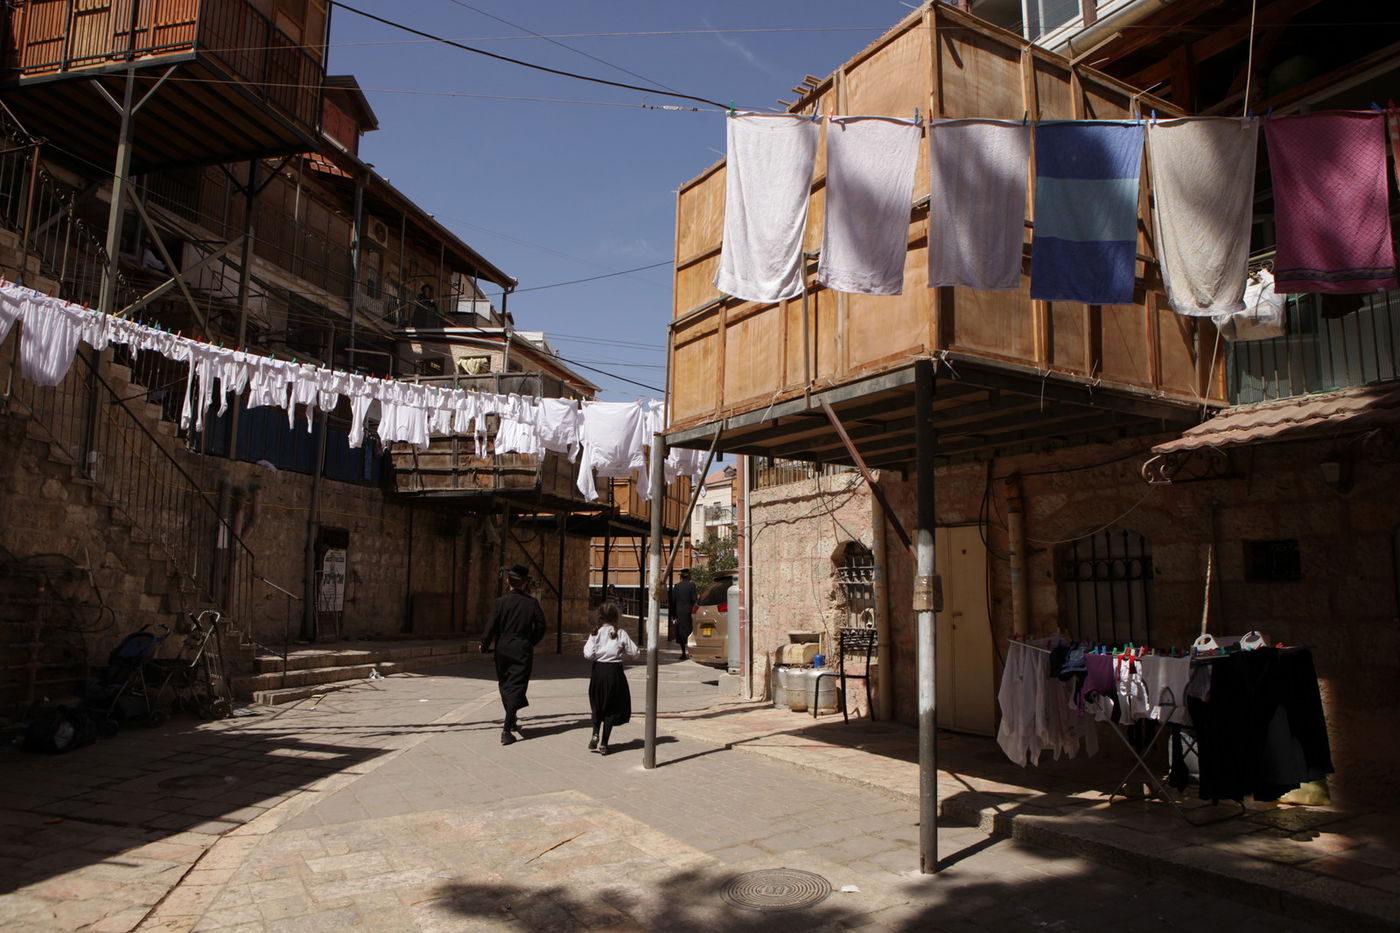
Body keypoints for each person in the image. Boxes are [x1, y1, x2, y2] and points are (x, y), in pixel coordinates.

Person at [480, 564, 546, 745]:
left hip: (502, 649)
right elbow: (541, 627)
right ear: (525, 584)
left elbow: (491, 626)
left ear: (508, 581)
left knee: (505, 684)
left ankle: (511, 719)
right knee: (517, 686)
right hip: (522, 649)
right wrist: (530, 641)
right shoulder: (531, 603)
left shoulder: (500, 602)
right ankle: (506, 729)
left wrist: (484, 645)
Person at [582, 602, 639, 755]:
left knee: (597, 704)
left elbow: (588, 654)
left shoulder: (595, 633)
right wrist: (622, 654)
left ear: (599, 617)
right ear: (615, 617)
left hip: (598, 672)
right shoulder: (620, 633)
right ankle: (604, 743)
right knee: (611, 707)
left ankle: (595, 732)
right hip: (614, 672)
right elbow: (635, 652)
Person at [668, 568, 698, 660]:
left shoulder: (676, 587)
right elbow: (694, 600)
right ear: (689, 576)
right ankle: (690, 652)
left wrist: (673, 615)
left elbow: (672, 601)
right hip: (689, 613)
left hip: (679, 612)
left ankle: (683, 653)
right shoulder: (691, 585)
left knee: (681, 633)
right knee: (690, 632)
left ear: (681, 577)